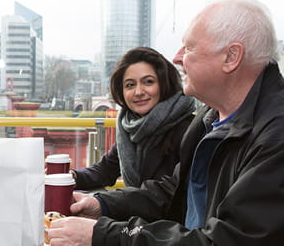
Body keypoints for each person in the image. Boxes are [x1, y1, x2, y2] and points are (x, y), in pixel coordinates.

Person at [47, 0, 284, 246]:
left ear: (231, 57)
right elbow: (173, 193)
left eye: (189, 47)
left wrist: (105, 238)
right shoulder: (210, 118)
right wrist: (103, 206)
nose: (177, 57)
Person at [71, 47, 194, 192]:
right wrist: (72, 176)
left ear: (164, 84)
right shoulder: (130, 127)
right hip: (137, 211)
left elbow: (168, 195)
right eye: (130, 85)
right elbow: (106, 170)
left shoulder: (189, 130)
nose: (138, 92)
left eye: (148, 82)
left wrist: (103, 204)